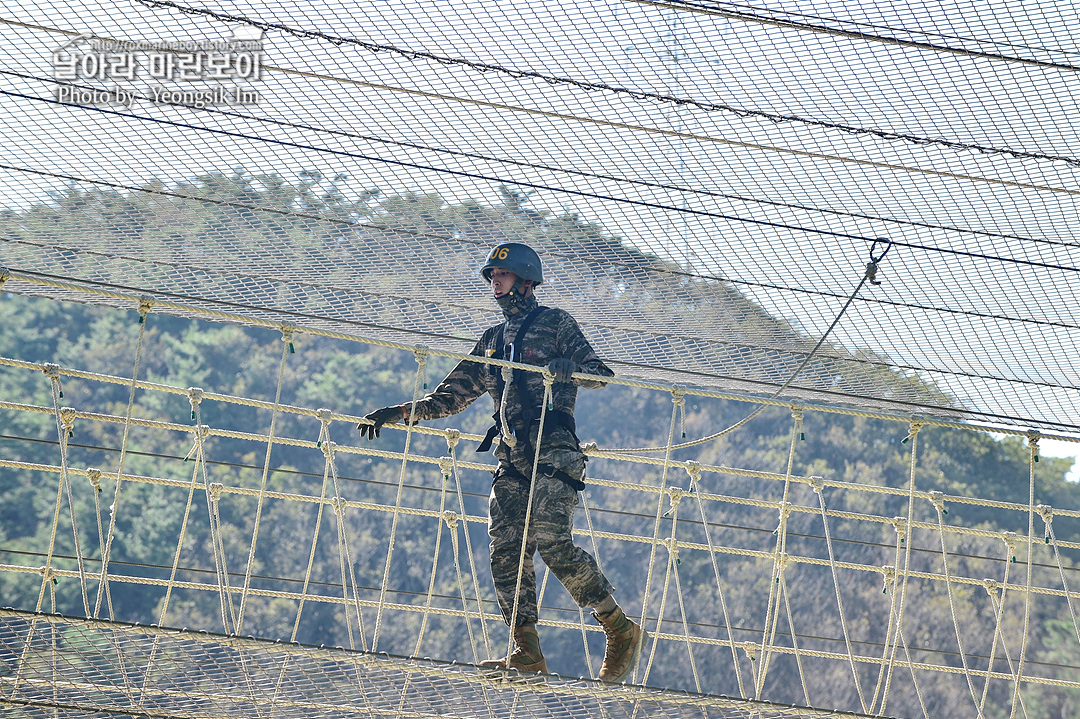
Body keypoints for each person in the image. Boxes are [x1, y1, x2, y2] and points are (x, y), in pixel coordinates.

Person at [359, 241, 645, 682]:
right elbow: (450, 397)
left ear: (526, 281)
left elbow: (600, 375)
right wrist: (398, 413)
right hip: (512, 457)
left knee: (550, 539)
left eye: (503, 274)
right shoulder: (492, 342)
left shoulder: (555, 324)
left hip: (553, 452)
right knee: (505, 548)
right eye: (492, 275)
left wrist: (571, 367)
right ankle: (526, 650)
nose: (495, 280)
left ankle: (618, 627)